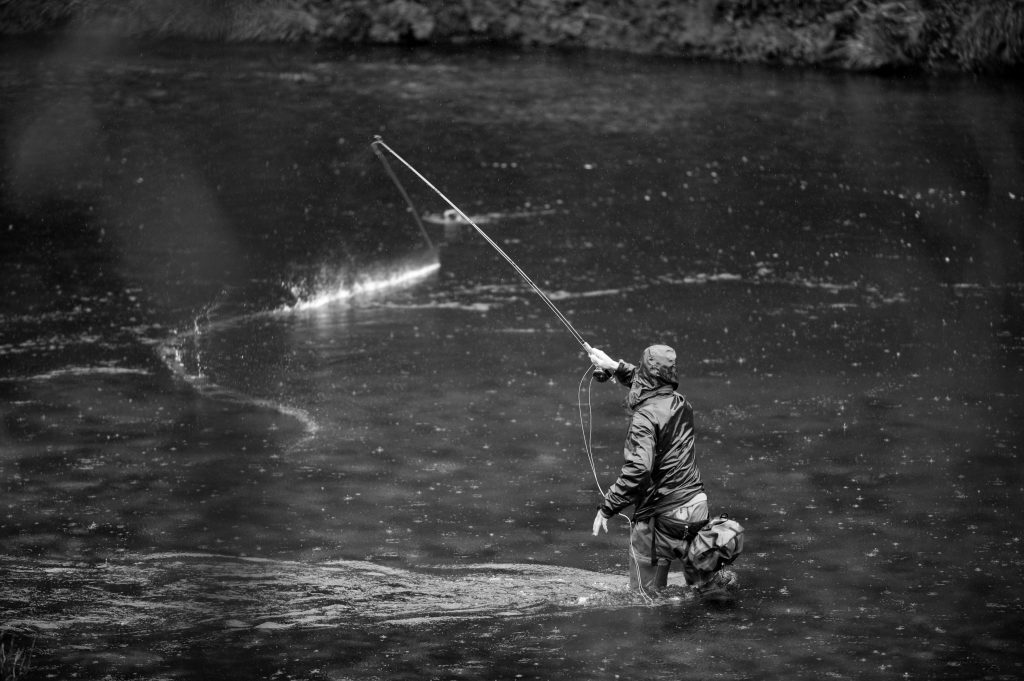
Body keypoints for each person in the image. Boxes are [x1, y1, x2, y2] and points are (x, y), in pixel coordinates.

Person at [586, 343, 711, 593]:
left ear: (645, 373)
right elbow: (651, 384)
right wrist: (615, 367)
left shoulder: (644, 418)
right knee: (702, 600)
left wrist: (608, 507)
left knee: (645, 601)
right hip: (698, 509)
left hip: (662, 518)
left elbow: (639, 471)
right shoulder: (682, 404)